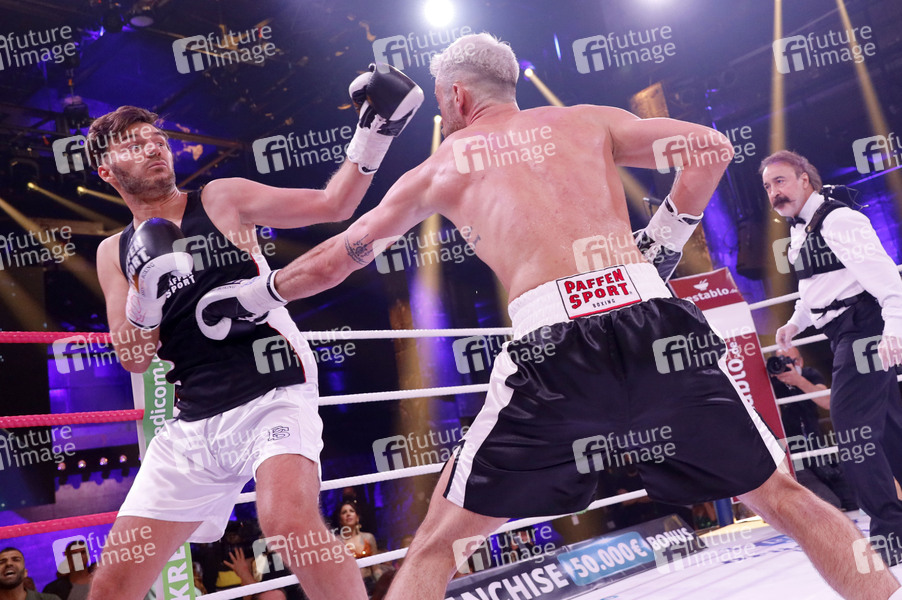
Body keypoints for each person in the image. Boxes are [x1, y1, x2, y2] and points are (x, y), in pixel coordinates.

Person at [200, 34, 902, 600]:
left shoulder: (443, 165)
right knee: (779, 493)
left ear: (455, 96)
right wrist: (662, 239)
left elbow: (340, 257)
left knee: (440, 542)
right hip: (650, 318)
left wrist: (257, 297)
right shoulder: (588, 119)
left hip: (552, 345)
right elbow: (712, 150)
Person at [83, 60, 424, 600]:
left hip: (272, 389)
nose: (152, 149)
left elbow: (334, 205)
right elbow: (133, 357)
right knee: (113, 582)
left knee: (288, 523)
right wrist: (144, 296)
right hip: (194, 419)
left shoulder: (221, 198)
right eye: (132, 144)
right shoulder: (112, 252)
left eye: (157, 140)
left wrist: (375, 132)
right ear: (106, 170)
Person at [764, 149, 902, 569]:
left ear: (805, 179)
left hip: (866, 329)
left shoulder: (840, 219)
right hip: (842, 331)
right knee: (889, 428)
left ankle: (891, 531)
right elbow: (816, 290)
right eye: (768, 186)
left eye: (780, 181)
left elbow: (886, 277)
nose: (774, 192)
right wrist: (794, 323)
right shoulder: (801, 231)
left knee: (851, 426)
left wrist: (894, 329)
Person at [769, 346, 858, 511]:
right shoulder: (770, 383)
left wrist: (798, 381)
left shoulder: (809, 375)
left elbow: (827, 402)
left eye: (792, 360)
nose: (788, 365)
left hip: (818, 450)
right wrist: (774, 384)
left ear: (801, 361)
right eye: (783, 361)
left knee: (854, 499)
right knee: (830, 504)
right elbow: (771, 419)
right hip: (794, 456)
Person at [336, 501, 383, 594]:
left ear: (357, 517)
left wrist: (383, 587)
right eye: (344, 512)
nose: (348, 514)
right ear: (340, 520)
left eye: (351, 511)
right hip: (349, 588)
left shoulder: (368, 538)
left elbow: (376, 568)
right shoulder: (337, 542)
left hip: (370, 586)